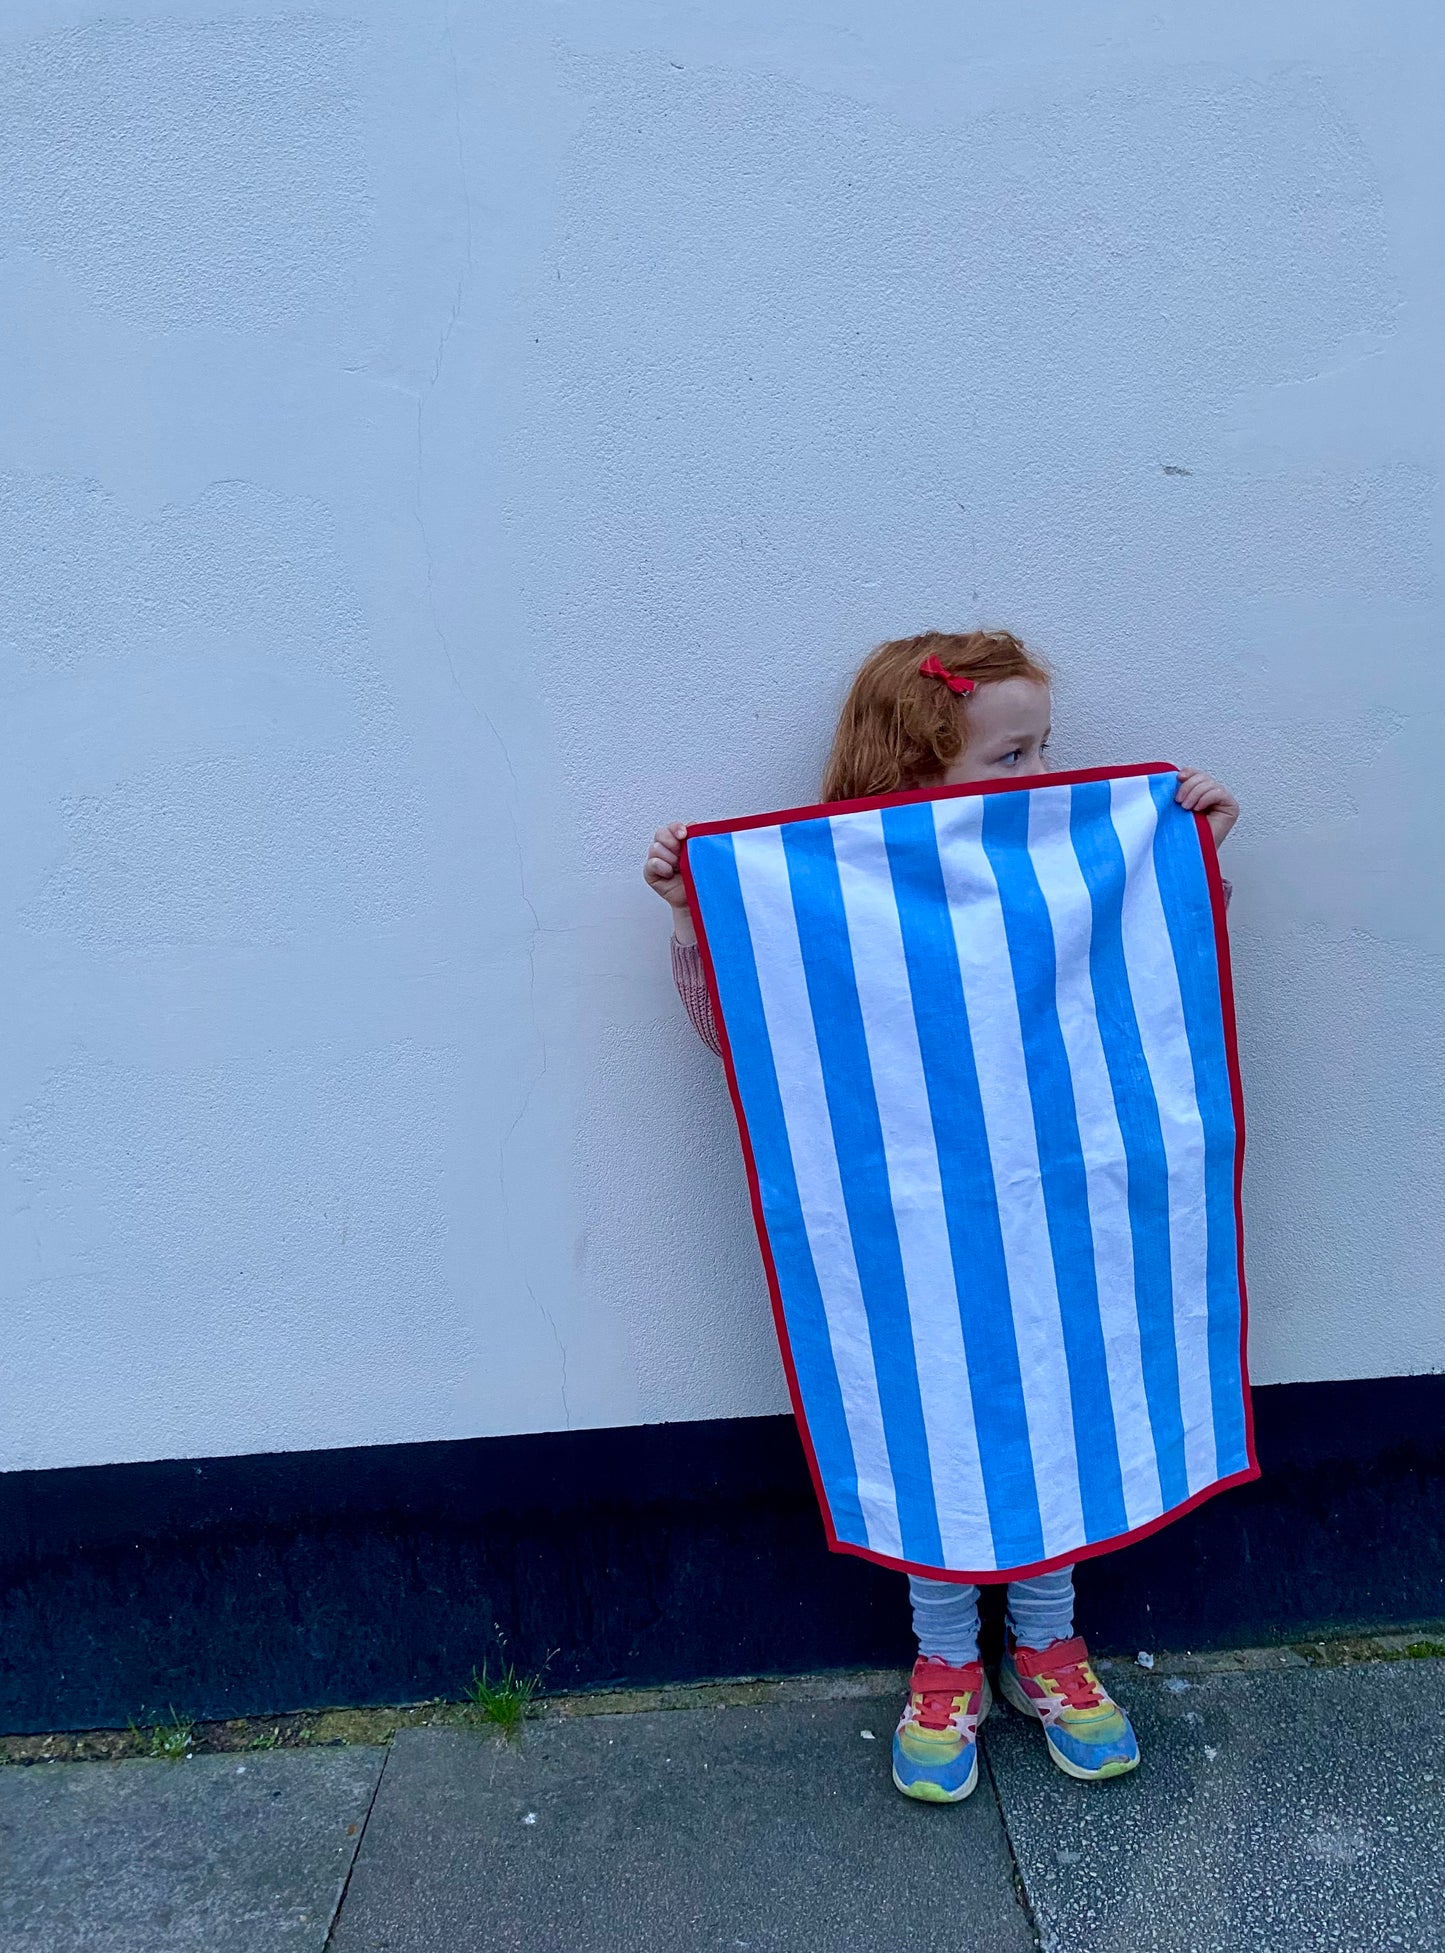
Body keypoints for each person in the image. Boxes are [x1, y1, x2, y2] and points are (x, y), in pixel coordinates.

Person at [642, 629, 1239, 1803]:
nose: (1032, 781)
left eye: (1039, 756)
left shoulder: (1049, 885)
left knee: (1060, 1395)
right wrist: (689, 914)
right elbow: (758, 1042)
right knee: (924, 1414)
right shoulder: (839, 902)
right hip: (905, 1223)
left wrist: (1187, 860)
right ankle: (944, 1659)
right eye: (1006, 759)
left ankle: (1050, 1648)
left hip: (1050, 1204)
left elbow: (1135, 973)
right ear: (915, 767)